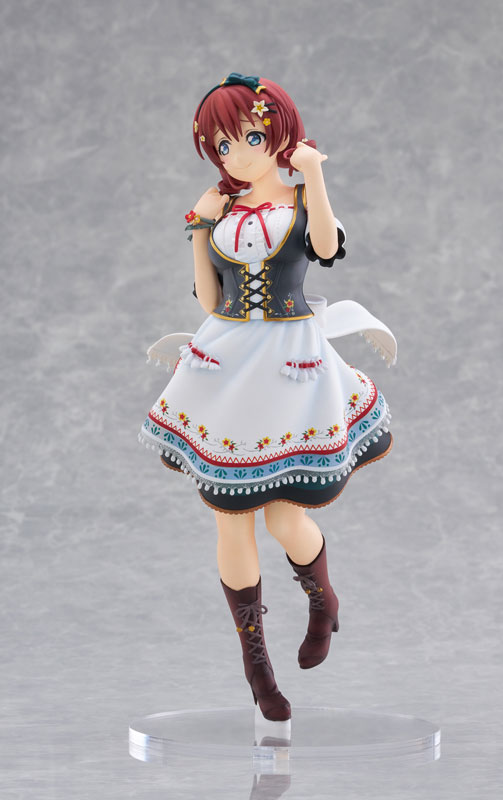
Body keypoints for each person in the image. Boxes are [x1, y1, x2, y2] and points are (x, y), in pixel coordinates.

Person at [138, 74, 395, 722]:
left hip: (289, 365)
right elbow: (209, 299)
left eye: (251, 137)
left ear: (278, 132)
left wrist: (314, 175)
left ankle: (323, 600)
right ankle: (257, 667)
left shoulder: (301, 198)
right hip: (227, 362)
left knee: (284, 519)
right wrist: (200, 228)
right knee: (230, 514)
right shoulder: (222, 211)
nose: (238, 155)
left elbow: (328, 248)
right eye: (224, 145)